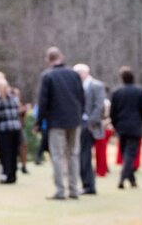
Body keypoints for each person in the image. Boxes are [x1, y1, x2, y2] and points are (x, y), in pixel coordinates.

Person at [37, 46, 85, 200]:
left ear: (48, 60)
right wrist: (79, 114)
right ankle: (74, 189)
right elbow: (81, 97)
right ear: (61, 57)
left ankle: (60, 190)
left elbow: (43, 101)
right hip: (74, 120)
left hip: (56, 122)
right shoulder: (74, 74)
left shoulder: (48, 76)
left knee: (57, 156)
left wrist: (39, 122)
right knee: (73, 155)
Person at [109, 65, 142, 189]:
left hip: (121, 127)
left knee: (126, 153)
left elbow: (112, 112)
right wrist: (141, 121)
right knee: (129, 154)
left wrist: (115, 124)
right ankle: (125, 178)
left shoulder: (117, 92)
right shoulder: (139, 91)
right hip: (134, 126)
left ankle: (129, 179)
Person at [74, 64, 106, 195]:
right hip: (79, 124)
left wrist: (90, 122)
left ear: (84, 73)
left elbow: (99, 106)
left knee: (85, 155)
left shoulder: (96, 85)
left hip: (91, 126)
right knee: (82, 155)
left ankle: (89, 185)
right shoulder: (77, 86)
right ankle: (87, 184)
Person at [0, 78, 22, 184]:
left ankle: (7, 175)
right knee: (14, 153)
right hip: (15, 129)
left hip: (5, 131)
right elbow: (17, 114)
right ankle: (13, 174)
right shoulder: (14, 100)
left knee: (5, 153)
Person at [93, 97, 112, 177]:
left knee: (100, 150)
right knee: (101, 150)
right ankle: (102, 167)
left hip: (102, 129)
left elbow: (106, 116)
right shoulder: (106, 102)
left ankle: (101, 169)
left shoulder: (103, 102)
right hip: (104, 128)